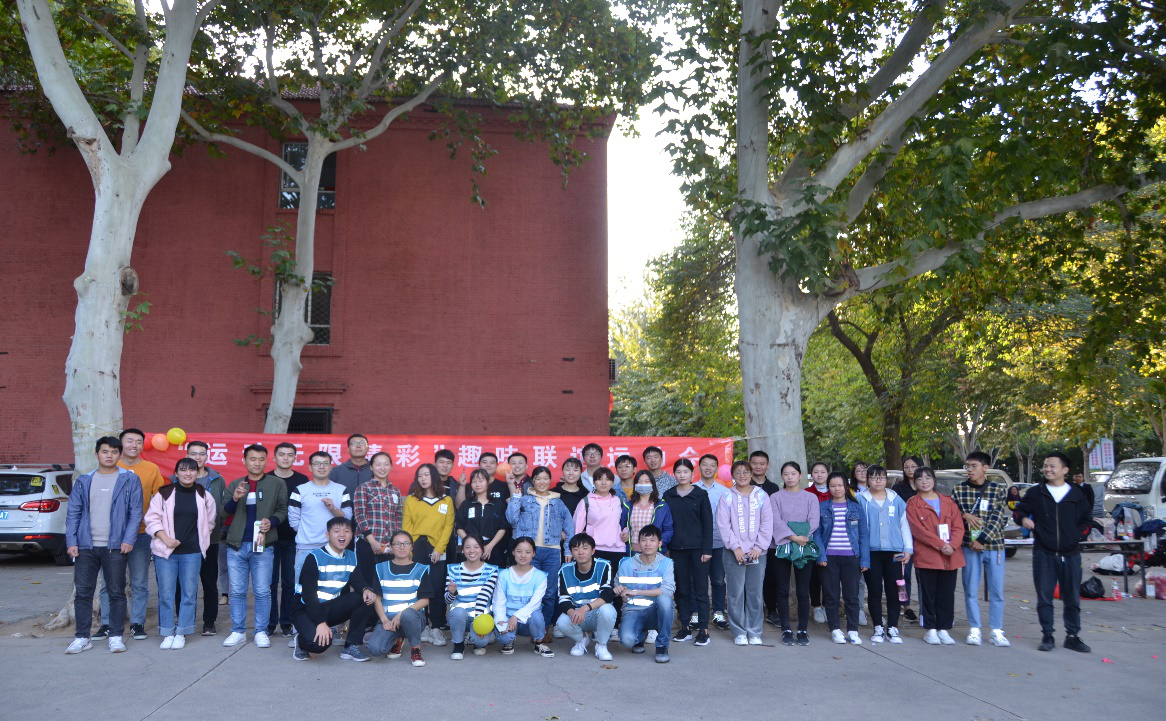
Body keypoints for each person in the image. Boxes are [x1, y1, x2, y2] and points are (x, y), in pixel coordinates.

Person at [65, 437, 143, 654]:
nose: (109, 455)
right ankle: (82, 637)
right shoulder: (84, 480)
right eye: (105, 451)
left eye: (114, 452)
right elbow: (73, 513)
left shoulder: (129, 479)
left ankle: (116, 636)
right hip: (85, 546)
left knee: (116, 592)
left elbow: (136, 513)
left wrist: (128, 539)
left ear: (120, 455)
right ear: (96, 454)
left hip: (115, 546)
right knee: (83, 593)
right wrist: (71, 541)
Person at [1014, 452, 1092, 653]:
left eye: (1052, 466)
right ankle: (1047, 635)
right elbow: (1018, 510)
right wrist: (1023, 519)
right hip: (1044, 553)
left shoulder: (1077, 494)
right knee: (1044, 597)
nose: (1047, 469)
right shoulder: (1036, 492)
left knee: (1072, 598)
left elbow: (1087, 521)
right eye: (1045, 465)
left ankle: (1072, 636)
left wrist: (1077, 536)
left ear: (1065, 470)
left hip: (1071, 553)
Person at [96, 428, 165, 642]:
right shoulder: (110, 467)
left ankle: (137, 623)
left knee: (139, 582)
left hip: (141, 534)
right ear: (120, 444)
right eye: (129, 441)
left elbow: (160, 501)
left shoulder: (151, 469)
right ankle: (106, 624)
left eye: (138, 442)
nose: (134, 445)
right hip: (111, 535)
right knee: (108, 582)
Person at [220, 444, 289, 649]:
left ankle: (260, 631)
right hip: (236, 545)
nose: (257, 463)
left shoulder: (276, 484)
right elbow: (223, 512)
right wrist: (235, 498)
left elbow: (283, 510)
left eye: (261, 459)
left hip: (263, 545)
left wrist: (272, 521)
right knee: (237, 591)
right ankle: (238, 631)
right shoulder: (236, 484)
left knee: (262, 591)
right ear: (244, 461)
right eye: (252, 459)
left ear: (267, 461)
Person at [145, 458, 217, 649]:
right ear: (176, 473)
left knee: (189, 593)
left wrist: (201, 540)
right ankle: (167, 632)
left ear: (197, 472)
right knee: (166, 594)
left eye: (192, 470)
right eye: (183, 470)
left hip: (192, 553)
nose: (188, 473)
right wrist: (165, 539)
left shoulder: (204, 495)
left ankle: (182, 632)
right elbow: (151, 520)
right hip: (166, 552)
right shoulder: (164, 493)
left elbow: (210, 522)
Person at [290, 517, 379, 662]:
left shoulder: (351, 556)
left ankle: (351, 646)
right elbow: (308, 595)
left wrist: (366, 589)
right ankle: (301, 642)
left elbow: (357, 580)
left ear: (352, 535)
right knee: (319, 644)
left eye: (346, 531)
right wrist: (320, 622)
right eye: (337, 531)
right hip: (305, 608)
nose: (342, 535)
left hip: (329, 607)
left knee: (365, 597)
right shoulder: (314, 557)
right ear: (327, 535)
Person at [506, 465, 573, 644]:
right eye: (538, 478)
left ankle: (543, 629)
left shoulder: (558, 502)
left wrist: (568, 549)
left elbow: (569, 526)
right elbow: (511, 519)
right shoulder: (524, 499)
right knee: (530, 591)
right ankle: (529, 626)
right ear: (533, 481)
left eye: (545, 478)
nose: (542, 482)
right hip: (529, 551)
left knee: (549, 593)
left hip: (552, 551)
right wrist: (515, 498)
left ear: (550, 481)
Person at [952, 451, 1010, 647]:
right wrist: (964, 515)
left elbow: (998, 518)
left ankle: (996, 630)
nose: (969, 470)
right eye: (967, 466)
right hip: (969, 546)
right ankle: (974, 628)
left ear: (985, 467)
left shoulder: (997, 489)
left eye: (973, 466)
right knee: (970, 588)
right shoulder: (959, 490)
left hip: (994, 546)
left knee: (996, 590)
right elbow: (951, 513)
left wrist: (983, 539)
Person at [172, 440, 226, 636]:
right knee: (183, 585)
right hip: (182, 542)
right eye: (193, 453)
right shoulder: (174, 480)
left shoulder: (217, 479)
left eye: (202, 453)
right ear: (187, 455)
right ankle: (184, 622)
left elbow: (221, 509)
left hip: (210, 540)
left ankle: (209, 623)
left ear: (207, 456)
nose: (198, 457)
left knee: (209, 583)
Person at [906, 467, 965, 645]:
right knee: (928, 594)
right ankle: (930, 629)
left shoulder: (948, 501)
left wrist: (952, 545)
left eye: (928, 478)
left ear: (934, 480)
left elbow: (958, 526)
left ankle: (944, 629)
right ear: (915, 483)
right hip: (928, 555)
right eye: (920, 479)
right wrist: (941, 545)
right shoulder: (913, 504)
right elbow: (918, 531)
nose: (924, 482)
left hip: (950, 555)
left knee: (946, 594)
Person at [716, 460, 773, 646]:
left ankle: (754, 631)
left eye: (746, 472)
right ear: (732, 475)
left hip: (758, 553)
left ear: (751, 474)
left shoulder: (762, 496)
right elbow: (723, 525)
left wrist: (758, 547)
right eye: (738, 472)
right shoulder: (727, 497)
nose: (742, 475)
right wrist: (736, 547)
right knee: (735, 593)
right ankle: (739, 632)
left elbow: (767, 523)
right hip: (733, 553)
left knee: (755, 593)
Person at [856, 464, 911, 644]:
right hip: (871, 552)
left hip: (894, 552)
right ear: (868, 479)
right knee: (874, 590)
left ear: (886, 479)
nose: (877, 481)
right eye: (873, 477)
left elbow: (904, 525)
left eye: (881, 477)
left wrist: (908, 549)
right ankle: (878, 626)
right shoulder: (860, 499)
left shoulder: (896, 500)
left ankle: (893, 627)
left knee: (894, 590)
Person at [814, 471, 869, 645]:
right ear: (828, 488)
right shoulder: (822, 507)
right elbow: (817, 534)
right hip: (829, 558)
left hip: (851, 558)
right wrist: (821, 556)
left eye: (840, 485)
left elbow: (863, 535)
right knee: (831, 596)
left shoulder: (856, 507)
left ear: (846, 487)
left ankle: (853, 630)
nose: (836, 489)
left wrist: (865, 560)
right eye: (832, 486)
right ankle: (835, 629)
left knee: (852, 596)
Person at [403, 463, 454, 646]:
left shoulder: (446, 500)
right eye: (419, 475)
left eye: (426, 475)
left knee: (437, 588)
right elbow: (407, 526)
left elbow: (448, 526)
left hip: (437, 548)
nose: (423, 478)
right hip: (416, 546)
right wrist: (408, 551)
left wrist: (439, 549)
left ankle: (437, 627)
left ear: (434, 476)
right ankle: (422, 625)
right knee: (418, 588)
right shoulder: (411, 499)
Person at [662, 458, 712, 646]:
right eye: (679, 472)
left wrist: (707, 549)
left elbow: (708, 524)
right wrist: (666, 548)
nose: (682, 475)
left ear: (692, 473)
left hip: (699, 550)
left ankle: (704, 630)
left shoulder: (700, 495)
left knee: (700, 590)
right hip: (676, 549)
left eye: (686, 472)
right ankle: (685, 627)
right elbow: (666, 523)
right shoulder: (668, 495)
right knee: (682, 589)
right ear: (674, 474)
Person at [770, 461, 819, 646]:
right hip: (781, 546)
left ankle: (803, 629)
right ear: (782, 476)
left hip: (804, 546)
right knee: (782, 590)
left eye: (793, 473)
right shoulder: (775, 497)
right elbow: (775, 521)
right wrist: (793, 537)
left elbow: (814, 521)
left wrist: (800, 538)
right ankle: (786, 629)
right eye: (786, 474)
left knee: (802, 590)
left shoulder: (810, 498)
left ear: (800, 475)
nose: (789, 477)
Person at [288, 452, 352, 591]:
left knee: (333, 590)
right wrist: (307, 533)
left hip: (333, 548)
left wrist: (333, 508)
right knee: (303, 589)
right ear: (310, 467)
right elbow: (293, 520)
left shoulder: (341, 490)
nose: (321, 467)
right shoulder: (300, 490)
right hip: (306, 548)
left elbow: (347, 518)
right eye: (317, 463)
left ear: (331, 466)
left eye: (325, 463)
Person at [367, 530, 431, 667]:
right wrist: (384, 620)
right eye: (397, 544)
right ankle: (398, 638)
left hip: (413, 618)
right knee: (375, 649)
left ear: (412, 546)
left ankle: (415, 649)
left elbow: (425, 600)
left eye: (406, 543)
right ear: (391, 546)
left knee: (408, 614)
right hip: (389, 618)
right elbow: (377, 598)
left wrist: (402, 614)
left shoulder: (421, 569)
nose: (402, 547)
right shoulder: (380, 568)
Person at [615, 525, 676, 662]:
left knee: (665, 600)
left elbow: (668, 589)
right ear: (638, 543)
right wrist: (619, 590)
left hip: (655, 611)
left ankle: (662, 645)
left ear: (659, 543)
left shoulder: (666, 563)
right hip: (633, 610)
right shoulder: (626, 564)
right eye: (644, 540)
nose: (648, 544)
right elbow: (617, 585)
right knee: (627, 640)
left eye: (652, 540)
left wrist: (637, 592)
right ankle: (640, 636)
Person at [555, 533, 617, 660]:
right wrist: (573, 612)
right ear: (571, 552)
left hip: (596, 612)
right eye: (576, 549)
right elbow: (563, 599)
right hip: (578, 614)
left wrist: (585, 608)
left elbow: (607, 594)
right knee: (561, 622)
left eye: (585, 548)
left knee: (608, 610)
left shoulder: (604, 565)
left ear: (593, 550)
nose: (580, 552)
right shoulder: (565, 570)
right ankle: (581, 639)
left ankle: (601, 644)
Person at [269, 442, 309, 638]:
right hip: (269, 538)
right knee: (269, 583)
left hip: (294, 539)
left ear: (295, 458)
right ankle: (269, 623)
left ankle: (286, 621)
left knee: (290, 582)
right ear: (274, 457)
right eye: (282, 454)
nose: (285, 458)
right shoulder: (267, 478)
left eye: (290, 455)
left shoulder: (302, 481)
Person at [492, 537, 552, 657]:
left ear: (533, 553)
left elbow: (535, 603)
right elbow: (499, 600)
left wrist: (516, 616)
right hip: (508, 618)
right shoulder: (504, 575)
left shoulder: (540, 576)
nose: (523, 555)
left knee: (537, 615)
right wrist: (500, 620)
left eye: (528, 552)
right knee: (504, 638)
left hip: (527, 621)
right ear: (513, 552)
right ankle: (509, 641)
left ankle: (539, 643)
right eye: (519, 551)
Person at [353, 451, 404, 590]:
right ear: (371, 467)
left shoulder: (395, 491)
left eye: (386, 464)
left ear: (391, 466)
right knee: (368, 584)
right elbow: (359, 515)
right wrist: (372, 541)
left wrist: (393, 542)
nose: (382, 468)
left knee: (386, 584)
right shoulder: (364, 488)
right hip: (367, 543)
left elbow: (398, 518)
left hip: (388, 546)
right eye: (378, 464)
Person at [444, 535, 500, 659]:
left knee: (480, 643)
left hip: (480, 616)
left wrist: (479, 624)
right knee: (458, 612)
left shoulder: (491, 570)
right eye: (468, 547)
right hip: (459, 617)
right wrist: (452, 593)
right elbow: (447, 600)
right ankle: (458, 644)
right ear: (463, 550)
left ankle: (476, 638)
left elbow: (484, 596)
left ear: (482, 549)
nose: (472, 550)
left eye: (476, 547)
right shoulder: (453, 569)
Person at [696, 454, 730, 630]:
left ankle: (718, 612)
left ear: (717, 469)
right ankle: (696, 613)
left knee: (718, 580)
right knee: (698, 581)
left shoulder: (725, 491)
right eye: (705, 465)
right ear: (699, 467)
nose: (708, 468)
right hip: (698, 544)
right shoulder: (692, 489)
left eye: (712, 465)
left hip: (719, 542)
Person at [455, 469, 508, 567]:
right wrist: (471, 544)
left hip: (493, 548)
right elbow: (459, 527)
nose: (477, 484)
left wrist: (489, 546)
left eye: (481, 481)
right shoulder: (466, 504)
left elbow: (503, 527)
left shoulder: (497, 504)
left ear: (488, 482)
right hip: (471, 550)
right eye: (474, 481)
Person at [892, 455, 923, 622]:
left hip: (923, 537)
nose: (910, 470)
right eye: (907, 467)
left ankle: (925, 608)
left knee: (923, 574)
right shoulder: (898, 488)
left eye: (913, 466)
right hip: (904, 537)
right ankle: (906, 606)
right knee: (904, 574)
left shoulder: (925, 486)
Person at [619, 470, 674, 555]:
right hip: (633, 553)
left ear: (652, 484)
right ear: (635, 485)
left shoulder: (662, 506)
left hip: (654, 553)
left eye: (647, 481)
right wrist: (624, 534)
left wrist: (660, 542)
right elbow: (623, 527)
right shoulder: (628, 506)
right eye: (640, 482)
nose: (643, 484)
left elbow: (668, 529)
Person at [804, 461, 830, 625]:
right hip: (811, 538)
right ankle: (816, 606)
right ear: (811, 474)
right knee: (814, 575)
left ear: (828, 473)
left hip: (832, 539)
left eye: (822, 471)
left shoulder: (835, 490)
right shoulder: (807, 493)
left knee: (830, 575)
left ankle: (828, 604)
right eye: (816, 472)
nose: (819, 475)